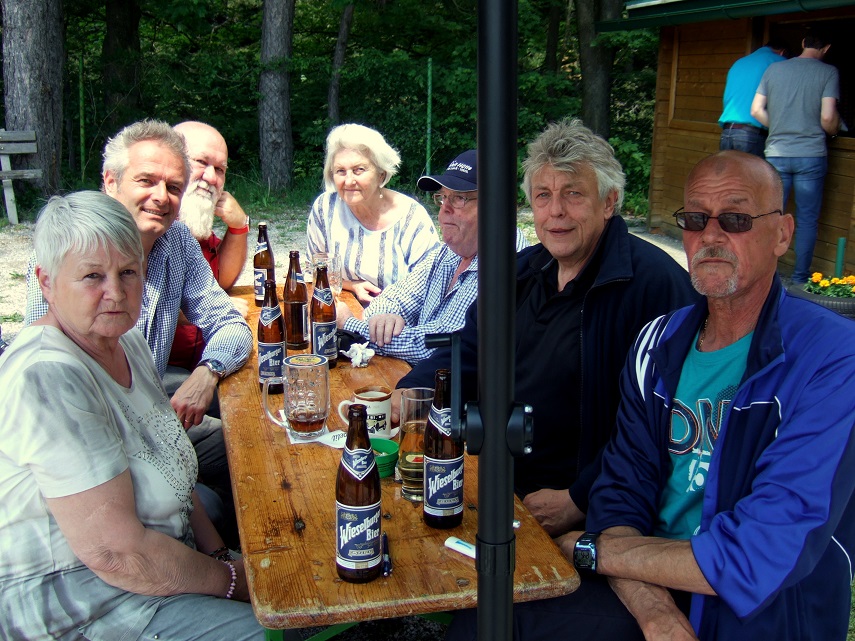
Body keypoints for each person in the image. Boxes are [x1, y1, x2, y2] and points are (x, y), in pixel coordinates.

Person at [551, 150, 855, 641]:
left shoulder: (833, 357)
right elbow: (621, 495)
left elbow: (758, 555)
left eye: (735, 219)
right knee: (493, 615)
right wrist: (655, 613)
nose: (711, 236)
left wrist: (596, 551)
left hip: (765, 616)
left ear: (782, 234)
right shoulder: (657, 344)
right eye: (695, 219)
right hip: (647, 589)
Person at [0, 192, 289, 640]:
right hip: (81, 603)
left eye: (128, 272)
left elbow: (169, 461)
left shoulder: (125, 340)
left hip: (153, 565)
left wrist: (220, 558)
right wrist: (234, 582)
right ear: (46, 283)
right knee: (273, 629)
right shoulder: (48, 376)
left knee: (290, 600)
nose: (115, 293)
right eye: (92, 276)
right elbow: (116, 555)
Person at [397, 119, 697, 541]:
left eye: (573, 194)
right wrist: (410, 392)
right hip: (497, 485)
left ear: (609, 202)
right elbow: (470, 349)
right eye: (543, 195)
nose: (556, 211)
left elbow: (665, 421)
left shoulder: (654, 286)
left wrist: (580, 498)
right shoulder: (522, 271)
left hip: (591, 516)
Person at [24, 120, 252, 538]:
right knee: (210, 505)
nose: (161, 197)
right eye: (146, 181)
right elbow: (43, 377)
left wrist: (208, 373)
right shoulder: (70, 242)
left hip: (154, 419)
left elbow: (230, 323)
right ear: (111, 181)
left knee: (248, 445)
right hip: (89, 442)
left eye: (173, 187)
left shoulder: (176, 240)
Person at [335, 149, 527, 364]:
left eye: (459, 199)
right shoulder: (450, 251)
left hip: (463, 384)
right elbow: (395, 297)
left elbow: (440, 345)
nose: (444, 210)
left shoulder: (505, 260)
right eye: (443, 197)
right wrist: (383, 318)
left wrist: (349, 324)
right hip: (427, 379)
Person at [307, 123, 440, 305]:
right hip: (343, 312)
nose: (349, 181)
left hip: (398, 316)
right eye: (340, 171)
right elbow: (314, 272)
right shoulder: (325, 208)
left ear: (381, 174)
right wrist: (352, 286)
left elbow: (432, 286)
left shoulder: (411, 217)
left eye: (359, 170)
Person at [750, 31, 841, 284]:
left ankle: (765, 275)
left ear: (802, 43)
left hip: (777, 154)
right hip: (810, 155)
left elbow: (756, 110)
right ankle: (800, 278)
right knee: (807, 219)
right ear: (826, 48)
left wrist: (779, 126)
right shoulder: (828, 72)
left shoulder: (774, 69)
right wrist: (834, 131)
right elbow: (827, 117)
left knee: (770, 216)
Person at [168, 120, 250, 372]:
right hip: (160, 370)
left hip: (203, 362)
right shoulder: (151, 223)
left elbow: (221, 281)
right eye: (201, 162)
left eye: (220, 169)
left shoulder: (195, 221)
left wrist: (239, 227)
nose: (211, 177)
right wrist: (212, 309)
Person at [718, 40, 786, 156]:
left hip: (727, 132)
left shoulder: (739, 62)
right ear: (782, 52)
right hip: (751, 134)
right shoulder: (779, 61)